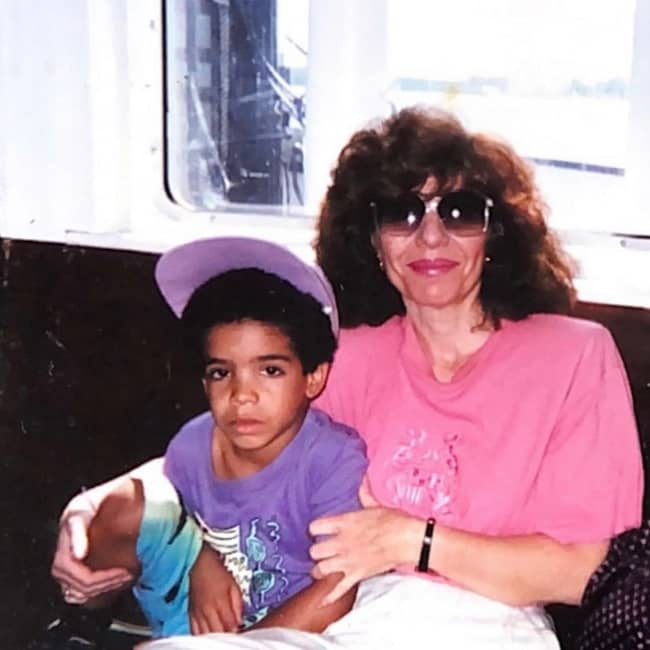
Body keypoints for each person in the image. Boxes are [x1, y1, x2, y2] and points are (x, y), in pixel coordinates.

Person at [52, 106, 643, 649]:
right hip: (352, 615)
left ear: (496, 234)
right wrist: (88, 508)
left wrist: (411, 539)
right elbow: (222, 445)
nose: (430, 236)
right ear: (371, 239)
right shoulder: (348, 356)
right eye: (401, 214)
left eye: (460, 212)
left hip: (490, 626)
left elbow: (580, 572)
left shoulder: (573, 356)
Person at [50, 237, 368, 642]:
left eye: (270, 370)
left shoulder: (331, 458)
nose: (241, 394)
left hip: (283, 629)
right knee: (127, 504)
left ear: (313, 377)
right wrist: (201, 555)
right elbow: (163, 504)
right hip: (196, 609)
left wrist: (237, 646)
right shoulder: (195, 442)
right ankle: (85, 622)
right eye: (221, 373)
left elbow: (338, 586)